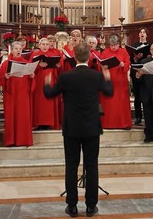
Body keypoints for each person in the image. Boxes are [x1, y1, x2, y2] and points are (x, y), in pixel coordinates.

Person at [43, 42, 113, 218]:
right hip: (91, 128)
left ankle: (72, 206)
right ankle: (91, 206)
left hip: (72, 128)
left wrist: (46, 83)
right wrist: (107, 77)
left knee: (71, 166)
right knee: (92, 165)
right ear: (89, 57)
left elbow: (50, 94)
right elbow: (109, 92)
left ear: (74, 57)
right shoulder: (96, 76)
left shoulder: (66, 77)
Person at [0, 41, 35, 147]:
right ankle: (11, 140)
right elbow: (0, 79)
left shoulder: (26, 63)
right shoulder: (6, 63)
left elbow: (31, 81)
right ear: (12, 50)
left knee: (22, 117)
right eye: (16, 48)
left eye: (20, 49)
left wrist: (32, 76)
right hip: (10, 94)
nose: (18, 50)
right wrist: (5, 77)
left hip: (23, 94)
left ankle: (23, 140)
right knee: (11, 117)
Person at [100, 34, 132, 129]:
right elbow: (100, 63)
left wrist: (123, 65)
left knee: (121, 104)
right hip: (109, 80)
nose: (113, 47)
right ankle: (107, 124)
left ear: (118, 44)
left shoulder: (124, 52)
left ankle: (123, 124)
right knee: (109, 104)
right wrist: (102, 67)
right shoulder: (105, 52)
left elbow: (128, 63)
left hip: (120, 83)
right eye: (111, 45)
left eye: (115, 45)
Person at [30, 37, 63, 130]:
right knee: (40, 103)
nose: (45, 46)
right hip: (39, 81)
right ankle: (39, 123)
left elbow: (58, 69)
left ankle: (49, 122)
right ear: (39, 45)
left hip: (50, 80)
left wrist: (58, 66)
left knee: (49, 102)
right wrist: (38, 65)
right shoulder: (35, 55)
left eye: (47, 44)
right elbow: (29, 69)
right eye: (43, 44)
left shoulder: (53, 54)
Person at [129, 27, 150, 125]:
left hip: (146, 73)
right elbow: (131, 60)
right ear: (138, 35)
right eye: (140, 32)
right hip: (136, 73)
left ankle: (148, 116)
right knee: (137, 95)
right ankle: (138, 117)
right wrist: (136, 58)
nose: (142, 34)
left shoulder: (150, 46)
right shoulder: (134, 45)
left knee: (146, 95)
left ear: (146, 35)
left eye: (144, 32)